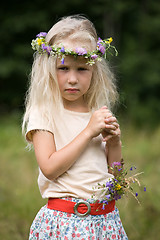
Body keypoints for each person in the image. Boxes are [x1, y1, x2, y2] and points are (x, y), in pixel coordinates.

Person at [22, 14, 128, 239]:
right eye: (64, 69)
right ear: (49, 69)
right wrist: (89, 131)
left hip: (106, 222)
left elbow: (116, 180)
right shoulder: (44, 114)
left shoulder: (96, 113)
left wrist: (115, 143)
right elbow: (49, 169)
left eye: (82, 69)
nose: (72, 79)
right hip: (67, 223)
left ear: (94, 71)